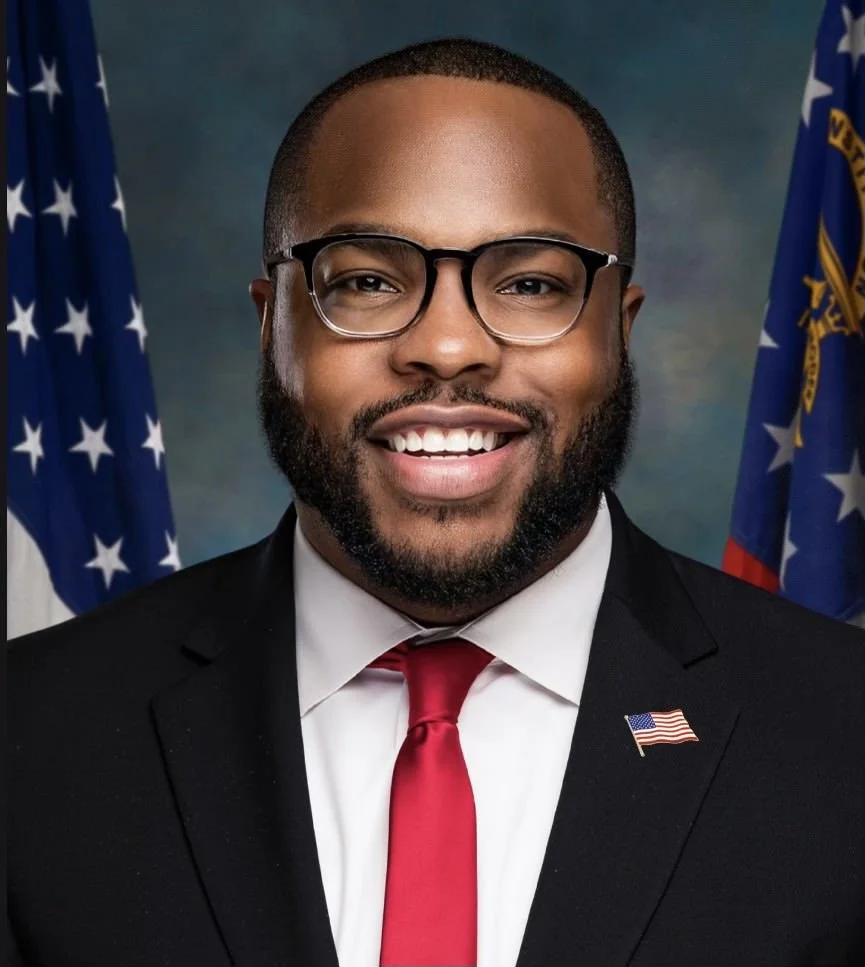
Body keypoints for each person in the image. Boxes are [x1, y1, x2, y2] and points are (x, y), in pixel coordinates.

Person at [7, 37, 864, 967]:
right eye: (368, 281)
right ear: (271, 325)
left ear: (620, 330)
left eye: (531, 283)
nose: (448, 347)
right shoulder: (33, 735)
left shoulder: (841, 734)